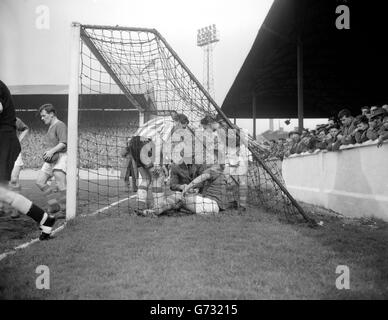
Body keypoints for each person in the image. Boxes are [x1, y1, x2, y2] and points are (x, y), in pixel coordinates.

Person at [0, 80, 55, 240]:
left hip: (4, 141)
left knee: (3, 192)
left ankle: (45, 218)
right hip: (4, 140)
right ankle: (45, 219)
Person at [35, 103, 68, 219]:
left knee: (60, 181)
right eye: (41, 116)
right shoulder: (50, 126)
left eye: (44, 116)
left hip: (62, 155)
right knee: (40, 181)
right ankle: (54, 206)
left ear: (52, 114)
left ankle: (65, 210)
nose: (42, 118)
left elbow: (63, 143)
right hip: (52, 157)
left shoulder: (60, 125)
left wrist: (51, 152)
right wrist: (48, 152)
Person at [8, 117, 30, 218]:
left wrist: (19, 139)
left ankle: (15, 209)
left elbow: (25, 128)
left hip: (14, 151)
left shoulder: (14, 119)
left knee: (14, 179)